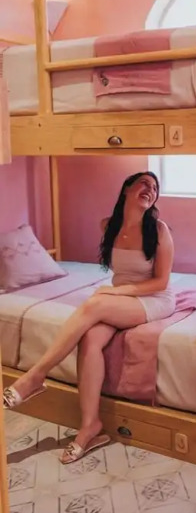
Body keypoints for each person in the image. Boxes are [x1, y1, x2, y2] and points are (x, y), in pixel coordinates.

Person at [3, 171, 175, 462]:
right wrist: (115, 293)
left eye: (155, 187)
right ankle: (90, 426)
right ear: (126, 189)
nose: (151, 189)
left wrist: (117, 293)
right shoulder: (108, 226)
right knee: (90, 340)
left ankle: (35, 375)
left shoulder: (158, 230)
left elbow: (161, 282)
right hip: (120, 298)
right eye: (144, 183)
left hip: (153, 299)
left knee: (94, 303)